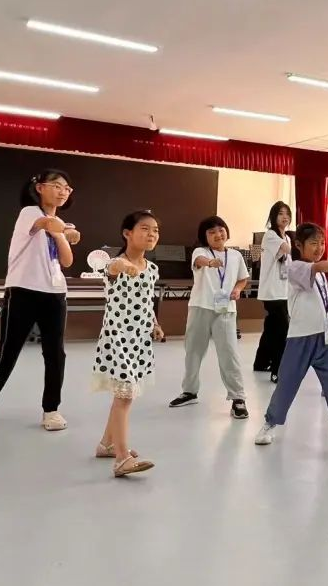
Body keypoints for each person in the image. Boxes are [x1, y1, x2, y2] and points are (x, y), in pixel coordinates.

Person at [0, 169, 80, 431]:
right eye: (57, 186)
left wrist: (63, 234)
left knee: (55, 354)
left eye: (67, 188)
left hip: (54, 294)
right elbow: (46, 224)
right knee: (8, 352)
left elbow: (67, 261)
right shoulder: (30, 213)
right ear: (40, 188)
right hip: (23, 291)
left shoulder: (59, 223)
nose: (62, 192)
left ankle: (51, 410)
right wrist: (65, 230)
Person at [254, 223, 328, 459]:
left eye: (322, 243)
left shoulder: (320, 277)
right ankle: (269, 424)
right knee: (287, 385)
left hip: (325, 339)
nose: (319, 247)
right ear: (299, 245)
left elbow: (318, 304)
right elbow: (317, 266)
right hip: (300, 339)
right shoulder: (296, 267)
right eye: (314, 243)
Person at [92, 210, 162, 477]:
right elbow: (113, 269)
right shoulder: (115, 263)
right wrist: (122, 266)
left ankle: (107, 444)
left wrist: (154, 323)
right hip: (118, 338)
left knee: (123, 394)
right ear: (127, 233)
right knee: (125, 396)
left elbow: (147, 301)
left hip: (139, 340)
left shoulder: (152, 269)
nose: (151, 234)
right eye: (145, 228)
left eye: (155, 230)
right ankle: (121, 458)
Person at [169, 216, 250, 419]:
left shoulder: (236, 256)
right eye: (211, 232)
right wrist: (211, 262)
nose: (217, 234)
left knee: (229, 354)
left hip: (225, 310)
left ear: (226, 231)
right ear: (204, 237)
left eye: (220, 230)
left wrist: (238, 290)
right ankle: (189, 391)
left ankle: (238, 398)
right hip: (200, 307)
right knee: (193, 351)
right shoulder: (201, 251)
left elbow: (242, 279)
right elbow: (199, 261)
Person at [253, 201, 292, 383]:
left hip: (284, 291)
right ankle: (277, 370)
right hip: (272, 292)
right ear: (273, 216)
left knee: (271, 328)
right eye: (280, 213)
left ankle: (261, 362)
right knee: (282, 331)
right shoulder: (270, 235)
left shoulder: (287, 237)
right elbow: (288, 251)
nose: (285, 217)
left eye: (287, 213)